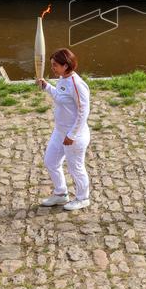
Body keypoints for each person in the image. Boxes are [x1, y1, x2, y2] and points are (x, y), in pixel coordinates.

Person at [38, 48, 92, 211]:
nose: (52, 68)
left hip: (74, 136)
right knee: (50, 162)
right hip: (59, 131)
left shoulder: (77, 85)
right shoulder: (62, 79)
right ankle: (61, 194)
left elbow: (84, 111)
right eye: (52, 65)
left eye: (55, 65)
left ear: (66, 65)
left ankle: (83, 198)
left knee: (76, 168)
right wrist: (47, 87)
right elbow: (61, 97)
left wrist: (72, 134)